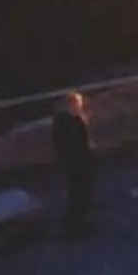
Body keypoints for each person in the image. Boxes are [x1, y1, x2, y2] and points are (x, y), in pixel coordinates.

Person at [50, 91, 96, 235]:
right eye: (76, 104)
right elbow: (58, 142)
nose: (78, 107)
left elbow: (85, 139)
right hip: (72, 160)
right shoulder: (62, 121)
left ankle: (82, 218)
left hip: (83, 159)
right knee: (75, 190)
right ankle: (73, 222)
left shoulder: (80, 119)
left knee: (84, 189)